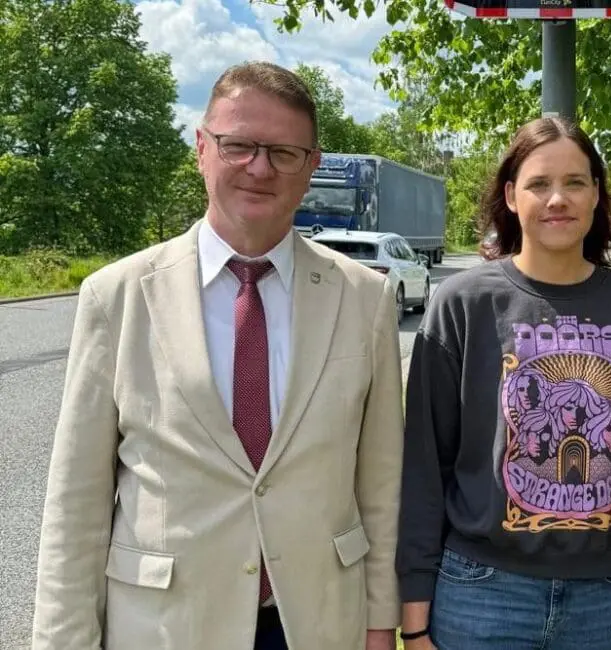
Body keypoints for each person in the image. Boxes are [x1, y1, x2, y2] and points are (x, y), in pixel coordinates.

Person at [30, 61, 403, 650]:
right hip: (167, 626)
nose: (259, 167)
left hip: (317, 621)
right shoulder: (117, 296)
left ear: (311, 167)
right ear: (201, 148)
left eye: (283, 152)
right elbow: (76, 503)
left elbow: (381, 487)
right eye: (238, 146)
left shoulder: (365, 298)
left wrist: (381, 623)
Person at [395, 116, 611, 650]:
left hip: (604, 597)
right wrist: (414, 619)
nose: (557, 199)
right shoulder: (463, 303)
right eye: (539, 183)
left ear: (596, 193)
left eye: (575, 182)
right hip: (480, 592)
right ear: (510, 194)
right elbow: (425, 464)